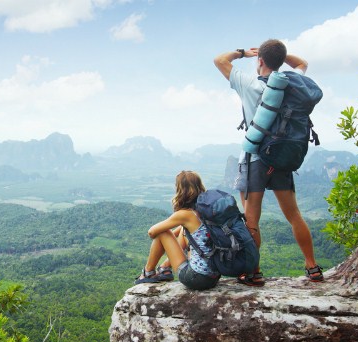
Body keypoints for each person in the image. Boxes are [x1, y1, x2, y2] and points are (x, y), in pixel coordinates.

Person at [213, 39, 324, 285]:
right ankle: (312, 266)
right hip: (282, 158)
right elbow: (303, 63)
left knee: (251, 218)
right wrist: (279, 57)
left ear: (259, 61)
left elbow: (219, 60)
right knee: (294, 215)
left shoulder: (250, 83)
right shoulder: (293, 83)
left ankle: (254, 271)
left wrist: (243, 53)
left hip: (256, 160)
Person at [134, 170, 221, 290]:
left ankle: (148, 272)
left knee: (162, 232)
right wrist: (171, 240)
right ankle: (164, 268)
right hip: (213, 277)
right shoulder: (205, 211)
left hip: (195, 278)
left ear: (181, 190)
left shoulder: (185, 214)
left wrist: (165, 238)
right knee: (182, 230)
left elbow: (152, 232)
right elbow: (183, 231)